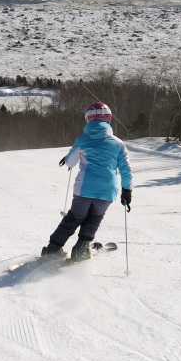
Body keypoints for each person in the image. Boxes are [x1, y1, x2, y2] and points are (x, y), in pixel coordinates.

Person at [43, 101, 132, 261]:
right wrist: (127, 190)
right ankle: (81, 250)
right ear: (109, 119)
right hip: (107, 191)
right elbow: (126, 170)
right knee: (94, 219)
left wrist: (68, 157)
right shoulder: (118, 143)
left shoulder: (83, 140)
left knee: (74, 218)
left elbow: (70, 162)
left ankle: (53, 249)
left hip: (84, 189)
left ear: (88, 119)